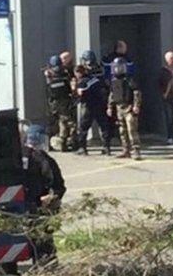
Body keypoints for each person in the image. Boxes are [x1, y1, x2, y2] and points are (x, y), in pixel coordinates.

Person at [22, 127, 66, 263]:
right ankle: (47, 269)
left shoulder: (18, 157)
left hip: (23, 206)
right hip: (40, 207)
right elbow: (56, 183)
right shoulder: (43, 159)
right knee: (43, 243)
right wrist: (53, 197)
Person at [75, 51, 113, 155]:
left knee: (83, 126)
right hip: (101, 101)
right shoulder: (101, 69)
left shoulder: (86, 73)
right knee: (104, 125)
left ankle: (82, 148)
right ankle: (106, 147)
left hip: (90, 103)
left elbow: (81, 89)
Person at [107, 57, 143, 160]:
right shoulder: (113, 81)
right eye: (116, 67)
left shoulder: (129, 80)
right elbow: (112, 95)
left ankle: (136, 150)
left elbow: (137, 93)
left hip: (129, 107)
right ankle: (125, 150)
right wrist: (109, 107)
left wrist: (136, 105)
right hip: (119, 108)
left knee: (132, 129)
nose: (117, 69)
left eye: (120, 67)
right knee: (122, 130)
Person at [43, 54, 76, 151]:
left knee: (52, 123)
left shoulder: (49, 73)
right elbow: (69, 85)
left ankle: (48, 145)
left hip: (52, 102)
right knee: (68, 122)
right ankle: (68, 144)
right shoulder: (65, 72)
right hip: (64, 101)